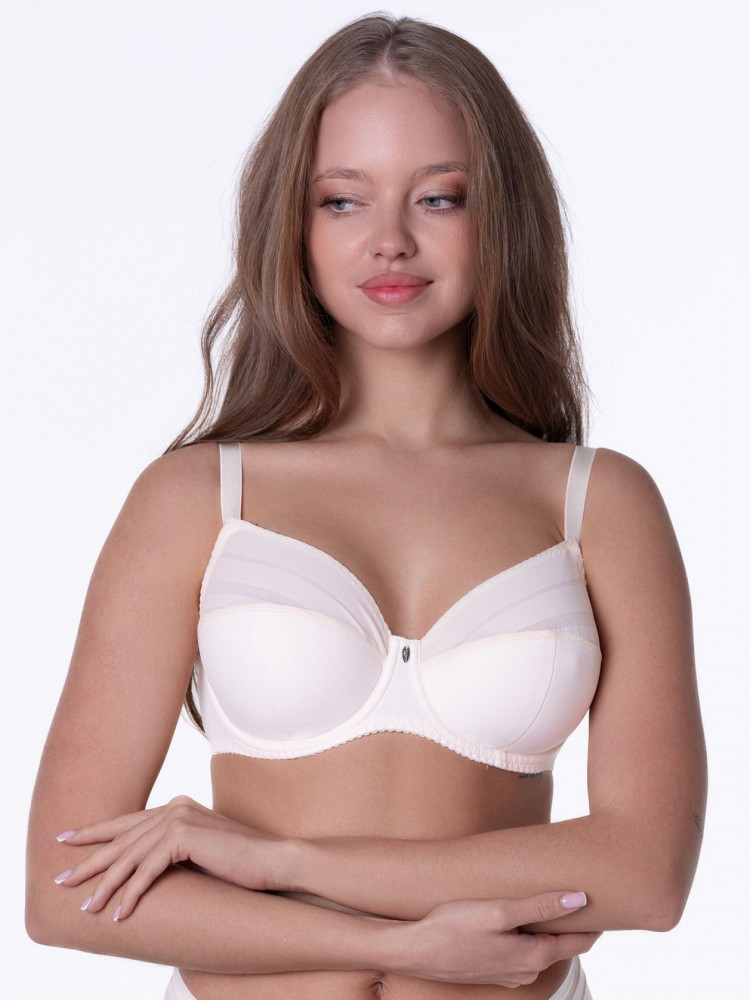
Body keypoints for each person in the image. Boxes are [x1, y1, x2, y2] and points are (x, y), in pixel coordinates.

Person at [25, 12, 706, 1000]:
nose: (390, 240)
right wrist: (412, 946)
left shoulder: (599, 503)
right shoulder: (197, 499)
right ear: (294, 227)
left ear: (501, 217)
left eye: (439, 197)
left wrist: (283, 861)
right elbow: (64, 895)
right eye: (342, 200)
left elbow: (647, 872)